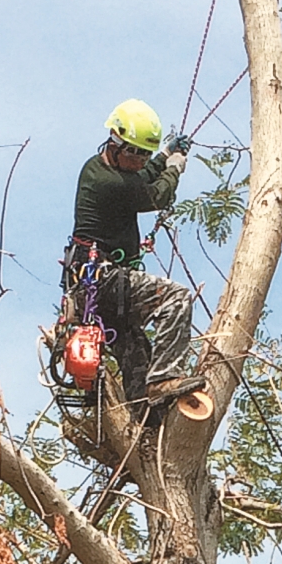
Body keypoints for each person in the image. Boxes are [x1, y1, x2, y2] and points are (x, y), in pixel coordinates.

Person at [65, 99, 198, 407]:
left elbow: (140, 176)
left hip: (100, 290)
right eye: (134, 152)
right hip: (103, 280)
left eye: (145, 154)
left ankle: (145, 420)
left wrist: (163, 155)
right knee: (176, 297)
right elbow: (155, 195)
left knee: (137, 356)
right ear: (114, 141)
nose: (140, 160)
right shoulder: (106, 181)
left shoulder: (108, 168)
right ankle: (165, 377)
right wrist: (174, 168)